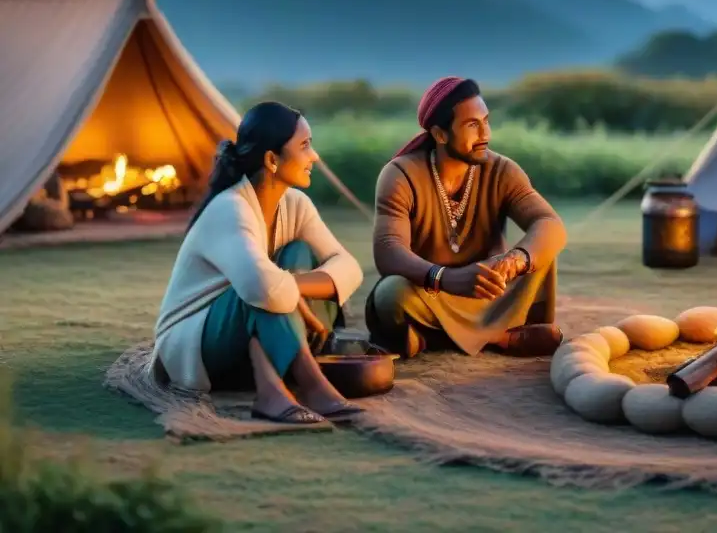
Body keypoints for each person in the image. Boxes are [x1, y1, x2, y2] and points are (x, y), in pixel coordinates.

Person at [150, 101, 364, 425]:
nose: (314, 156)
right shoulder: (229, 208)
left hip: (256, 333)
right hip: (202, 348)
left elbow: (349, 267)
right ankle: (310, 382)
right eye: (304, 146)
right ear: (271, 160)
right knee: (257, 289)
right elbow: (263, 289)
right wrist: (294, 293)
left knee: (295, 255)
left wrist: (293, 286)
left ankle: (271, 389)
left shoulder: (296, 204)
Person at [365, 77, 567, 359]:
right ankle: (500, 338)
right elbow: (388, 250)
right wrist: (445, 278)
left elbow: (549, 223)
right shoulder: (400, 175)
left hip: (489, 294)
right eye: (472, 125)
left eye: (486, 121)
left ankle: (429, 338)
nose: (485, 133)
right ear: (440, 134)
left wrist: (516, 259)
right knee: (390, 294)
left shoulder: (503, 171)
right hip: (433, 293)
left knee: (542, 251)